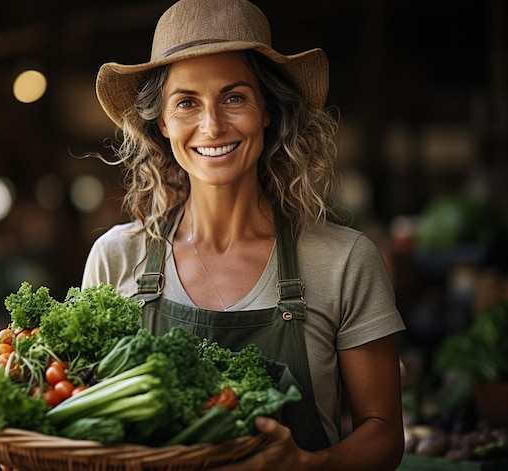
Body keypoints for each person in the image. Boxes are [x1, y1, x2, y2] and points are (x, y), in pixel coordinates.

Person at [82, 0, 406, 469]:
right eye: (187, 102)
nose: (212, 126)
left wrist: (305, 465)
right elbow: (79, 412)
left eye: (234, 97)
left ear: (268, 110)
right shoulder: (115, 257)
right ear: (162, 122)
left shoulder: (345, 261)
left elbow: (383, 435)